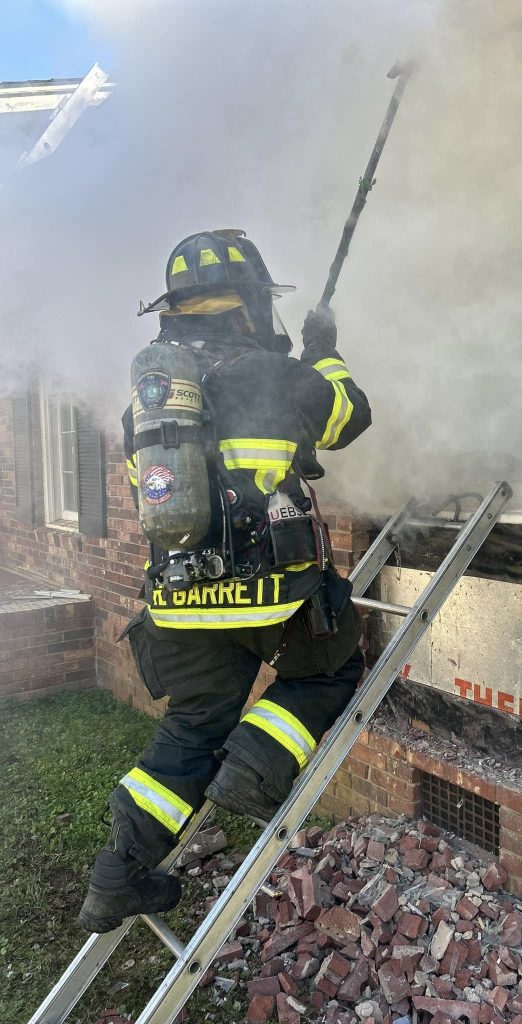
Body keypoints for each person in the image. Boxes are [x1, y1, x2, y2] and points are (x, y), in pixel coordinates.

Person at [78, 229, 371, 933]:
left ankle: (115, 877)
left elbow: (147, 494)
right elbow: (349, 415)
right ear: (247, 304)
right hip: (274, 598)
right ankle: (256, 767)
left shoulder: (146, 405)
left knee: (191, 727)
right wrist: (323, 348)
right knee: (331, 673)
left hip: (178, 604)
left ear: (174, 314)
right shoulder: (274, 375)